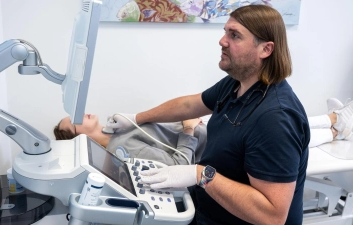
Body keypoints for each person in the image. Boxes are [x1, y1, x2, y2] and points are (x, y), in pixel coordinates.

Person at [106, 5, 309, 224]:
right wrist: (137, 118)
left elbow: (272, 215)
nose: (222, 41)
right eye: (225, 32)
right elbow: (187, 105)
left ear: (265, 50)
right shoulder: (237, 84)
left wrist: (201, 175)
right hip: (207, 210)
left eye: (234, 35)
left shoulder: (275, 118)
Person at [53, 114, 207, 165]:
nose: (81, 115)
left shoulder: (118, 127)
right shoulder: (121, 148)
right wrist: (189, 128)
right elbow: (179, 165)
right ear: (79, 139)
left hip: (211, 130)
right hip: (215, 150)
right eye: (74, 123)